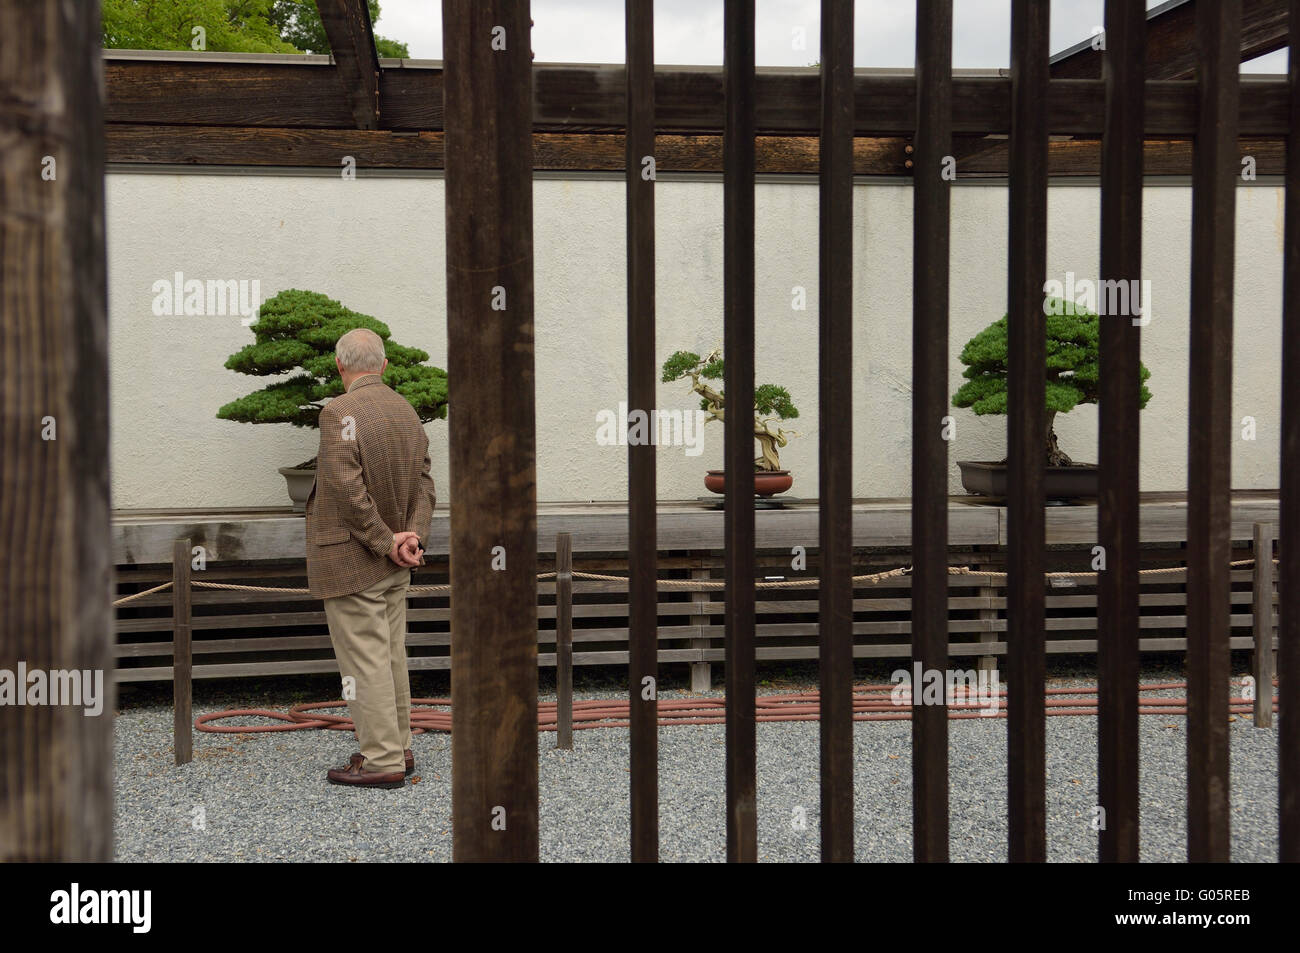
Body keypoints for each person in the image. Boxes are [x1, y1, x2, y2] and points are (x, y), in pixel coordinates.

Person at [305, 327, 436, 790]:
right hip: (396, 560)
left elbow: (345, 488)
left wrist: (384, 540)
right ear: (382, 366)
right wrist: (410, 538)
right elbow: (424, 483)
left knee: (365, 663)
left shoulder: (338, 411)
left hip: (353, 559)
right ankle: (398, 747)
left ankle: (381, 759)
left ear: (340, 366)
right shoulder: (406, 410)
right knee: (389, 656)